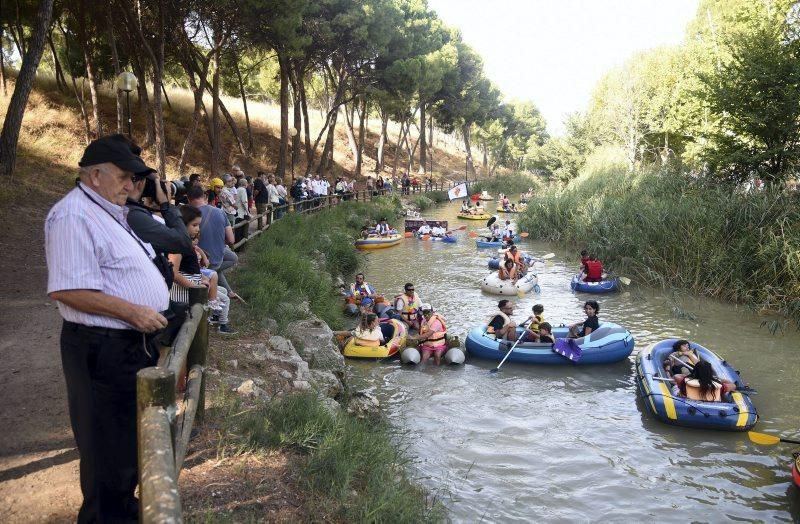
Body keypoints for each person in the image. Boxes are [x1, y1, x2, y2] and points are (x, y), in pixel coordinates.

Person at [45, 135, 170, 522]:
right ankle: (105, 516)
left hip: (124, 345)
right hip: (101, 349)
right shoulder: (73, 215)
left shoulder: (108, 209)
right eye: (124, 177)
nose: (132, 186)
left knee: (126, 442)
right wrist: (132, 312)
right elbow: (68, 289)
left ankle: (122, 509)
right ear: (94, 175)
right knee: (106, 451)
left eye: (135, 179)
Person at [170, 206, 235, 334]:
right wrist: (195, 285)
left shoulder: (186, 243)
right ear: (182, 223)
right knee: (185, 330)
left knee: (193, 326)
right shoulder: (178, 245)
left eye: (198, 225)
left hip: (191, 294)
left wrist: (201, 278)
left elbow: (188, 269)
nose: (198, 229)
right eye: (194, 225)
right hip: (184, 296)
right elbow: (174, 273)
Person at [187, 185, 240, 298]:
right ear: (204, 196)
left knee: (216, 268)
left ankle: (227, 290)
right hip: (215, 258)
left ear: (188, 199)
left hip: (201, 259)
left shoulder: (188, 216)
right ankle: (229, 292)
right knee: (230, 260)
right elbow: (231, 239)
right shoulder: (220, 212)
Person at [233, 178, 250, 244]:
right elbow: (244, 202)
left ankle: (237, 245)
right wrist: (248, 213)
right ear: (244, 184)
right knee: (240, 231)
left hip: (237, 212)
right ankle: (239, 246)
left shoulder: (237, 189)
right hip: (241, 213)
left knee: (237, 230)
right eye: (247, 183)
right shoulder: (243, 190)